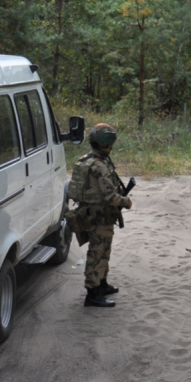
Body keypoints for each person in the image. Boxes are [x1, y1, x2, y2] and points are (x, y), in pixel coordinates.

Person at [66, 123, 133, 308]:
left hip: (93, 214)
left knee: (103, 250)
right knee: (97, 253)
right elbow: (110, 197)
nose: (110, 147)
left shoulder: (87, 160)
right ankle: (93, 293)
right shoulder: (100, 166)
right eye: (108, 144)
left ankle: (102, 284)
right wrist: (126, 201)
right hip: (99, 217)